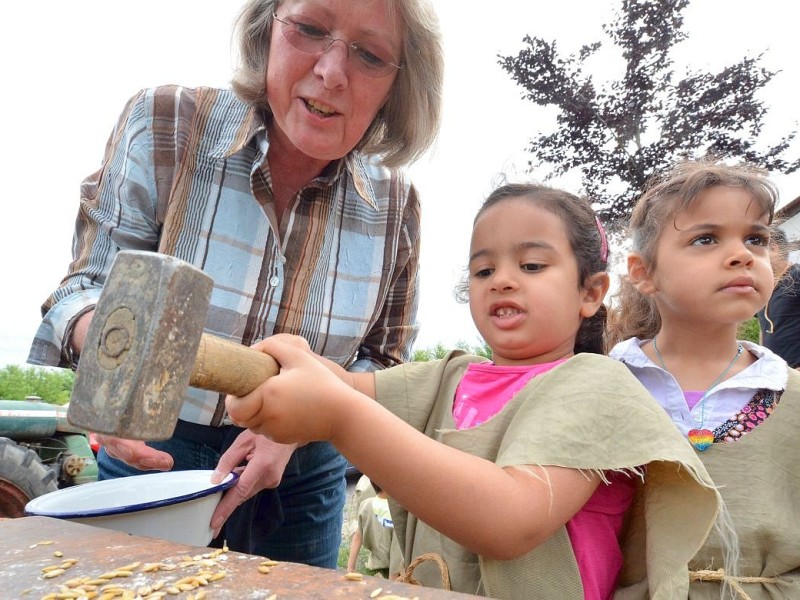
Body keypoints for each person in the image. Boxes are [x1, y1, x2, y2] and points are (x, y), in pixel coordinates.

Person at [27, 0, 444, 568]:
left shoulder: (398, 204)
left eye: (370, 55)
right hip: (158, 448)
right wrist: (112, 357)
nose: (331, 72)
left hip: (303, 470)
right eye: (311, 29)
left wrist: (301, 424)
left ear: (400, 84)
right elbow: (85, 287)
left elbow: (387, 360)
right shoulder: (166, 125)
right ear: (266, 29)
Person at [225, 182, 728, 599]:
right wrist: (283, 361)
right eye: (484, 270)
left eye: (531, 266)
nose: (502, 280)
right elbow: (347, 386)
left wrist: (338, 417)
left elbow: (510, 521)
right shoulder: (450, 376)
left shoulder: (596, 385)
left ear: (590, 293)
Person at [609, 161, 800, 597]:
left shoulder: (792, 396)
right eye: (706, 239)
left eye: (755, 238)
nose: (742, 254)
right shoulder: (606, 385)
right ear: (643, 273)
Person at [756, 226, 800, 368]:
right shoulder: (765, 286)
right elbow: (763, 327)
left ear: (773, 248)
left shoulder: (797, 275)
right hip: (775, 374)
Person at [346, 478, 401, 578]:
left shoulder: (365, 505)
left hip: (378, 557)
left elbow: (358, 536)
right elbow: (396, 550)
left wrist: (350, 567)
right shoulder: (397, 509)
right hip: (396, 563)